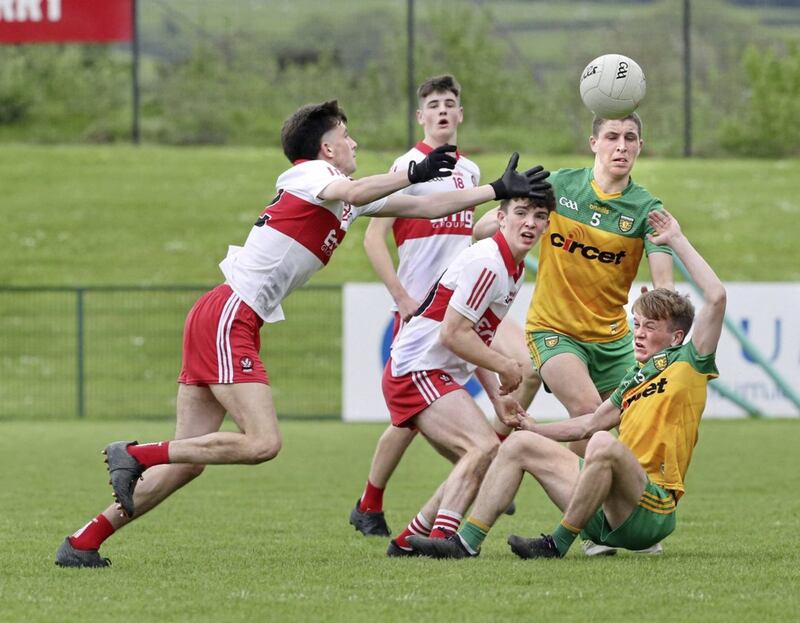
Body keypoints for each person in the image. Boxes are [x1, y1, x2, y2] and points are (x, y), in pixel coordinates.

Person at [54, 100, 552, 568]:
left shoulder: (339, 193)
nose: (354, 143)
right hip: (231, 314)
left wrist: (496, 190)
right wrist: (413, 170)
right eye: (346, 136)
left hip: (223, 313)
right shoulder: (313, 174)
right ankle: (138, 453)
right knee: (262, 442)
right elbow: (358, 191)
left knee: (188, 460)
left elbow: (423, 209)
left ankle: (84, 541)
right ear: (326, 149)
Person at [407, 208, 725, 559]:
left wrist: (676, 239)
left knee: (603, 443)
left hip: (651, 508)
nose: (639, 333)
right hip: (604, 508)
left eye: (651, 327)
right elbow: (588, 423)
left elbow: (716, 297)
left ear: (677, 335)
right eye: (638, 324)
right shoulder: (635, 378)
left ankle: (557, 543)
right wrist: (533, 428)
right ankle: (464, 543)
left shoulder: (690, 362)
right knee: (521, 444)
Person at [473, 113, 674, 555]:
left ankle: (618, 518)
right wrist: (496, 217)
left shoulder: (646, 209)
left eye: (631, 138)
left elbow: (664, 284)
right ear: (593, 143)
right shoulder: (559, 187)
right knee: (588, 410)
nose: (621, 146)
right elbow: (487, 226)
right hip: (553, 331)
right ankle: (592, 529)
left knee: (633, 430)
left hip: (615, 339)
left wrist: (659, 302)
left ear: (640, 146)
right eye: (612, 137)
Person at [349, 75, 540, 538]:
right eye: (432, 104)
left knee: (525, 369)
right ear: (421, 116)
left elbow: (463, 233)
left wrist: (496, 225)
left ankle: (481, 465)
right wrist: (400, 296)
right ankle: (372, 501)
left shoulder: (471, 173)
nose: (441, 111)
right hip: (424, 308)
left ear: (459, 114)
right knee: (413, 413)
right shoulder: (409, 165)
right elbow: (374, 235)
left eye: (449, 103)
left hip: (466, 300)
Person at [382, 191, 555, 557]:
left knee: (479, 452)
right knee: (483, 446)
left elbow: (476, 337)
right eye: (520, 213)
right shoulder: (489, 263)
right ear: (500, 217)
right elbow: (453, 334)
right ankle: (446, 539)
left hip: (429, 368)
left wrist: (498, 398)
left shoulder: (513, 269)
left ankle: (408, 542)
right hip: (416, 367)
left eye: (539, 216)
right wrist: (506, 365)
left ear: (548, 225)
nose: (529, 223)